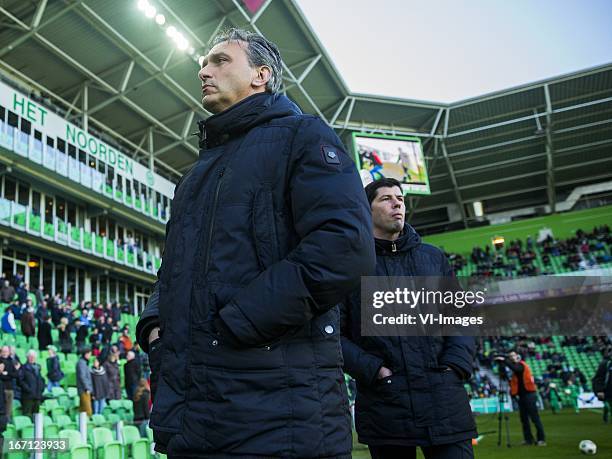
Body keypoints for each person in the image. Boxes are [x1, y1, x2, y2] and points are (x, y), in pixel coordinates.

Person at [136, 28, 374, 458]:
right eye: (204, 63)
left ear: (261, 74)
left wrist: (240, 321)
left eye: (219, 61)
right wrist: (155, 326)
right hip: (190, 416)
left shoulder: (303, 136)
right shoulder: (194, 177)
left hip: (277, 415)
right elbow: (173, 269)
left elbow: (344, 246)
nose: (203, 70)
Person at [340, 178, 476, 459]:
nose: (397, 203)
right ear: (367, 210)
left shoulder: (433, 258)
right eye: (386, 198)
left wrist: (455, 366)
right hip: (386, 403)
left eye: (400, 198)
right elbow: (334, 333)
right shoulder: (351, 264)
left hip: (443, 399)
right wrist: (375, 370)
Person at [496, 350, 546, 446]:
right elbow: (506, 377)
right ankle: (528, 439)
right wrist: (502, 366)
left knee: (534, 418)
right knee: (524, 419)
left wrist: (505, 360)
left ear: (517, 356)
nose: (511, 358)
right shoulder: (513, 368)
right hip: (521, 396)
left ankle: (541, 439)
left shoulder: (521, 365)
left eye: (513, 356)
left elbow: (516, 369)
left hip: (529, 394)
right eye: (510, 356)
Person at [18, 350, 45, 418]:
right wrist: (28, 389)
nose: (32, 358)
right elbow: (20, 381)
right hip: (27, 396)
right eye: (30, 356)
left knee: (36, 416)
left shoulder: (38, 368)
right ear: (27, 357)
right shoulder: (23, 367)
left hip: (37, 396)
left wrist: (41, 388)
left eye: (33, 357)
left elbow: (41, 380)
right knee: (27, 415)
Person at [592, 345, 612, 423]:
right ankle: (606, 413)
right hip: (607, 390)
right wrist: (599, 390)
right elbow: (598, 378)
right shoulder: (605, 364)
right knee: (608, 405)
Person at [0, 346, 18, 421]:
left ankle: (7, 424)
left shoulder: (11, 361)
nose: (5, 353)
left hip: (10, 388)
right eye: (3, 351)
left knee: (8, 410)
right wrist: (8, 375)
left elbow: (15, 374)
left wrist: (7, 374)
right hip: (2, 389)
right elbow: (1, 376)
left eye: (6, 351)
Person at [76, 348, 93, 417]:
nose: (90, 356)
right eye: (89, 354)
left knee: (83, 408)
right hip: (84, 389)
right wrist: (87, 388)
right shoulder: (81, 363)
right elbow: (82, 377)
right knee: (87, 408)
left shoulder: (84, 363)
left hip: (85, 389)